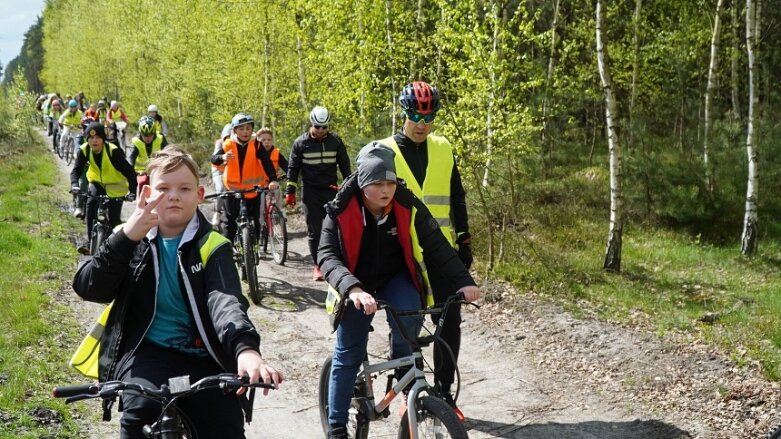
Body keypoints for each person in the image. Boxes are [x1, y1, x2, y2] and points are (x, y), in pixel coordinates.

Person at [72, 146, 284, 438]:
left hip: (205, 355)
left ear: (199, 195)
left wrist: (245, 350)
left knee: (225, 425)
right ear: (146, 192)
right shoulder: (129, 237)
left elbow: (226, 302)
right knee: (139, 414)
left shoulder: (214, 244)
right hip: (147, 352)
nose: (173, 196)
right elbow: (89, 287)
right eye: (163, 188)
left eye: (184, 188)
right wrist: (127, 236)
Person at [318, 142, 481, 439]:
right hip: (355, 284)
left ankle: (402, 375)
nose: (386, 189)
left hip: (394, 277)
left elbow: (436, 245)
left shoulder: (406, 204)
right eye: (378, 183)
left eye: (391, 182)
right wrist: (352, 288)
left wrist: (463, 280)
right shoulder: (339, 210)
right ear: (363, 183)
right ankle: (337, 427)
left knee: (410, 314)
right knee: (348, 354)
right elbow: (326, 256)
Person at [378, 81, 473, 419]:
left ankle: (445, 394)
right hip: (399, 251)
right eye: (416, 115)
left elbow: (456, 196)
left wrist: (464, 239)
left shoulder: (444, 148)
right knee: (407, 322)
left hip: (440, 250)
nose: (422, 123)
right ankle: (402, 386)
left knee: (449, 323)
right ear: (403, 112)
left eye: (429, 116)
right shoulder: (384, 150)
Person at [285, 106, 351, 280]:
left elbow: (345, 164)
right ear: (311, 124)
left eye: (324, 127)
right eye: (317, 126)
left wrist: (348, 185)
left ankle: (339, 261)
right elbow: (293, 168)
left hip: (331, 190)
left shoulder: (335, 141)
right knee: (315, 230)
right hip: (310, 193)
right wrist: (290, 191)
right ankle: (318, 265)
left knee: (336, 228)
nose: (321, 130)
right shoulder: (300, 143)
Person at [70, 122, 137, 254]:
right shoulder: (84, 150)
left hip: (116, 186)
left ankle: (118, 248)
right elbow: (76, 171)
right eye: (90, 137)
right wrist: (75, 185)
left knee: (114, 219)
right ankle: (90, 243)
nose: (94, 141)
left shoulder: (113, 151)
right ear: (86, 138)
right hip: (97, 184)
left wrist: (133, 192)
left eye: (98, 137)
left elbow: (129, 172)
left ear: (103, 139)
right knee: (90, 206)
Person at [211, 113, 278, 243]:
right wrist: (222, 157)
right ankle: (228, 249)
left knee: (255, 219)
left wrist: (273, 179)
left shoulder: (257, 145)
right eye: (241, 128)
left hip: (252, 190)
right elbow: (214, 159)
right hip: (232, 189)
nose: (245, 132)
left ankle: (254, 248)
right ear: (234, 130)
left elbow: (266, 162)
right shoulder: (228, 144)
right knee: (229, 221)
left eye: (248, 128)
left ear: (252, 129)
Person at [255, 126, 289, 242]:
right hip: (258, 185)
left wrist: (290, 175)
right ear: (258, 141)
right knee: (259, 210)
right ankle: (259, 235)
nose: (266, 142)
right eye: (263, 140)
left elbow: (286, 165)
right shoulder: (255, 153)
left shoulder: (276, 153)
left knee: (277, 193)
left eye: (269, 139)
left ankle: (278, 214)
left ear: (272, 140)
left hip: (273, 183)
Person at [129, 116, 168, 192]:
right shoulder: (136, 141)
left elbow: (168, 153)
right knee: (143, 183)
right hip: (141, 171)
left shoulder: (160, 138)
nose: (148, 138)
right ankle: (142, 202)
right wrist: (131, 172)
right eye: (145, 135)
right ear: (140, 133)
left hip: (158, 169)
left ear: (154, 133)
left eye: (150, 135)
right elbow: (131, 158)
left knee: (164, 185)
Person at [210, 123, 232, 227]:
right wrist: (223, 159)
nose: (229, 139)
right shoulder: (219, 143)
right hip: (219, 169)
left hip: (231, 170)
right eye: (227, 137)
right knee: (221, 189)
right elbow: (216, 158)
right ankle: (217, 212)